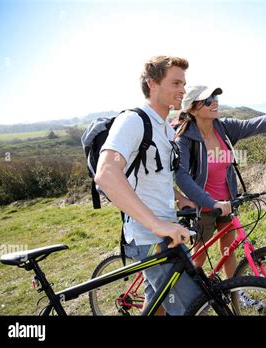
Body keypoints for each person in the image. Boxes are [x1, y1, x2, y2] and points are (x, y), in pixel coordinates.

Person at [174, 86, 266, 301]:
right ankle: (185, 300)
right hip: (203, 207)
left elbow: (259, 123)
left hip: (227, 203)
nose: (214, 102)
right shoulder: (185, 139)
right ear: (193, 109)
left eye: (215, 97)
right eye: (207, 100)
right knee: (197, 260)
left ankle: (237, 293)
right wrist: (210, 201)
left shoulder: (224, 128)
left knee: (228, 251)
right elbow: (182, 177)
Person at [94, 55, 200, 315]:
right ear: (152, 84)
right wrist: (156, 224)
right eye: (175, 83)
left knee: (158, 306)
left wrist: (179, 198)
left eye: (184, 84)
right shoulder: (133, 121)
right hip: (150, 237)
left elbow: (152, 174)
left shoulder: (163, 126)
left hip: (167, 232)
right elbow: (106, 173)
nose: (183, 90)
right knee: (196, 307)